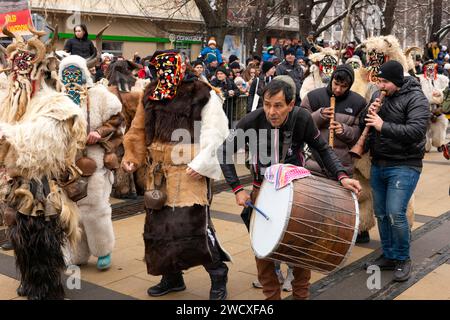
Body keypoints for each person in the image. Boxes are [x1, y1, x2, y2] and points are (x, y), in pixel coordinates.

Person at [219, 77, 361, 300]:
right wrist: (237, 189)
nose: (271, 111)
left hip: (298, 191)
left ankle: (301, 296)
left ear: (291, 104)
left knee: (301, 248)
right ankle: (271, 298)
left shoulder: (302, 118)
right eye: (267, 104)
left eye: (277, 105)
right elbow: (224, 152)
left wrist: (342, 176)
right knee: (263, 253)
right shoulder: (252, 121)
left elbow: (322, 149)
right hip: (260, 190)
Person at [121, 50, 231, 300]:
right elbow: (137, 129)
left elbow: (216, 131)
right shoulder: (150, 93)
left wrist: (202, 162)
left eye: (171, 68)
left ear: (182, 67)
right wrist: (132, 157)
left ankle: (218, 274)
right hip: (158, 172)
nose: (166, 74)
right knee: (159, 228)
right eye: (161, 69)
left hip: (189, 170)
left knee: (194, 226)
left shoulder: (201, 91)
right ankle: (171, 276)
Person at [0, 25, 87, 299]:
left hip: (43, 187)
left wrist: (6, 135)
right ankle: (29, 279)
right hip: (18, 185)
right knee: (20, 238)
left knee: (42, 240)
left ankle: (48, 289)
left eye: (22, 73)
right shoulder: (12, 103)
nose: (16, 80)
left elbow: (38, 144)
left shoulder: (58, 105)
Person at [361, 61, 429, 282]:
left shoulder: (416, 98)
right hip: (379, 162)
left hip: (405, 164)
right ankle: (389, 255)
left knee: (395, 213)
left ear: (397, 82)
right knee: (380, 213)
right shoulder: (378, 97)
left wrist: (382, 125)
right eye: (379, 81)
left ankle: (402, 258)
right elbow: (368, 125)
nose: (380, 86)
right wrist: (367, 116)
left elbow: (417, 131)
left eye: (384, 82)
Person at [59, 55, 123, 270]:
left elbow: (117, 120)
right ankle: (77, 252)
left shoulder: (100, 96)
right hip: (66, 163)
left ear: (84, 73)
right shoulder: (58, 99)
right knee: (71, 211)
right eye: (66, 73)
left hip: (94, 159)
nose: (71, 77)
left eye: (75, 72)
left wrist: (98, 132)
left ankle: (103, 249)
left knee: (95, 208)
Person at [302, 64, 366, 177]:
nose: (338, 89)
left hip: (343, 167)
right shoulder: (313, 97)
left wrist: (344, 130)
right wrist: (319, 116)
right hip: (314, 165)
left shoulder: (359, 102)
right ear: (331, 79)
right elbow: (301, 126)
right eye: (336, 84)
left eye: (343, 86)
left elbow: (359, 135)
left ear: (349, 86)